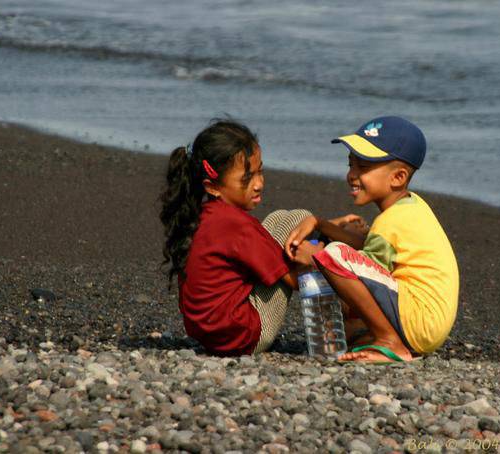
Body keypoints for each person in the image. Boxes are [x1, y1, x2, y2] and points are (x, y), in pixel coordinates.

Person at [285, 116, 459, 363]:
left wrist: (315, 257)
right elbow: (367, 251)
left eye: (363, 167)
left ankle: (390, 342)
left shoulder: (391, 222)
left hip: (418, 321)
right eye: (350, 165)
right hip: (426, 323)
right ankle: (383, 336)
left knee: (335, 254)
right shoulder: (411, 206)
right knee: (342, 266)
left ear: (397, 177)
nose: (351, 175)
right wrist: (320, 223)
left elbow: (354, 269)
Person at [159, 119, 312, 356]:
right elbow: (295, 281)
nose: (259, 184)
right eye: (247, 178)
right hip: (244, 337)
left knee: (278, 219)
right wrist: (323, 259)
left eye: (260, 171)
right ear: (212, 187)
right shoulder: (236, 224)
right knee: (299, 218)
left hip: (209, 335)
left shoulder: (203, 215)